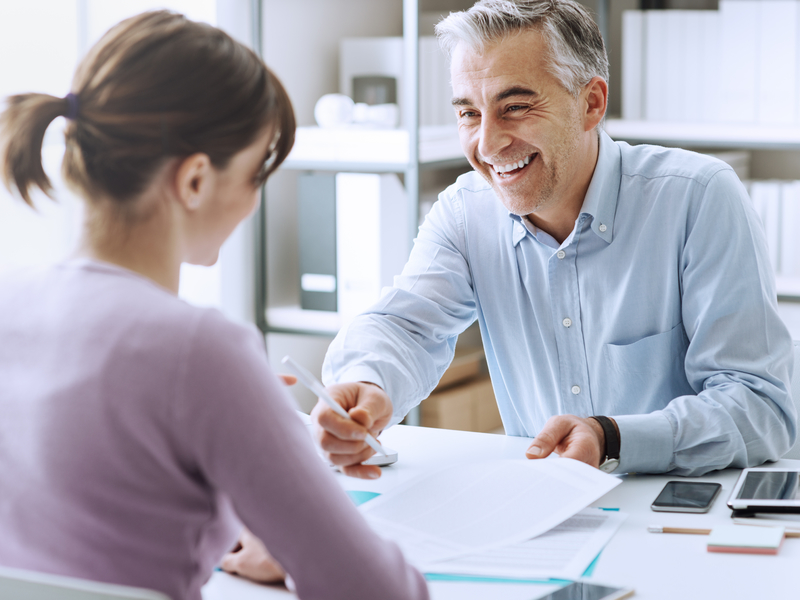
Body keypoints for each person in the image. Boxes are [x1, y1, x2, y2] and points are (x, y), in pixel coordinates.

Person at [0, 11, 428, 600]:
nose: (254, 202)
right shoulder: (199, 351)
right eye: (255, 175)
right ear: (196, 180)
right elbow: (380, 592)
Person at [313, 0, 796, 479]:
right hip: (545, 511)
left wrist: (612, 438)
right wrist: (367, 381)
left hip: (673, 514)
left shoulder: (698, 198)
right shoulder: (465, 212)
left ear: (591, 103)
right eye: (468, 114)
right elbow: (405, 327)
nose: (486, 145)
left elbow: (761, 407)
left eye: (516, 107)